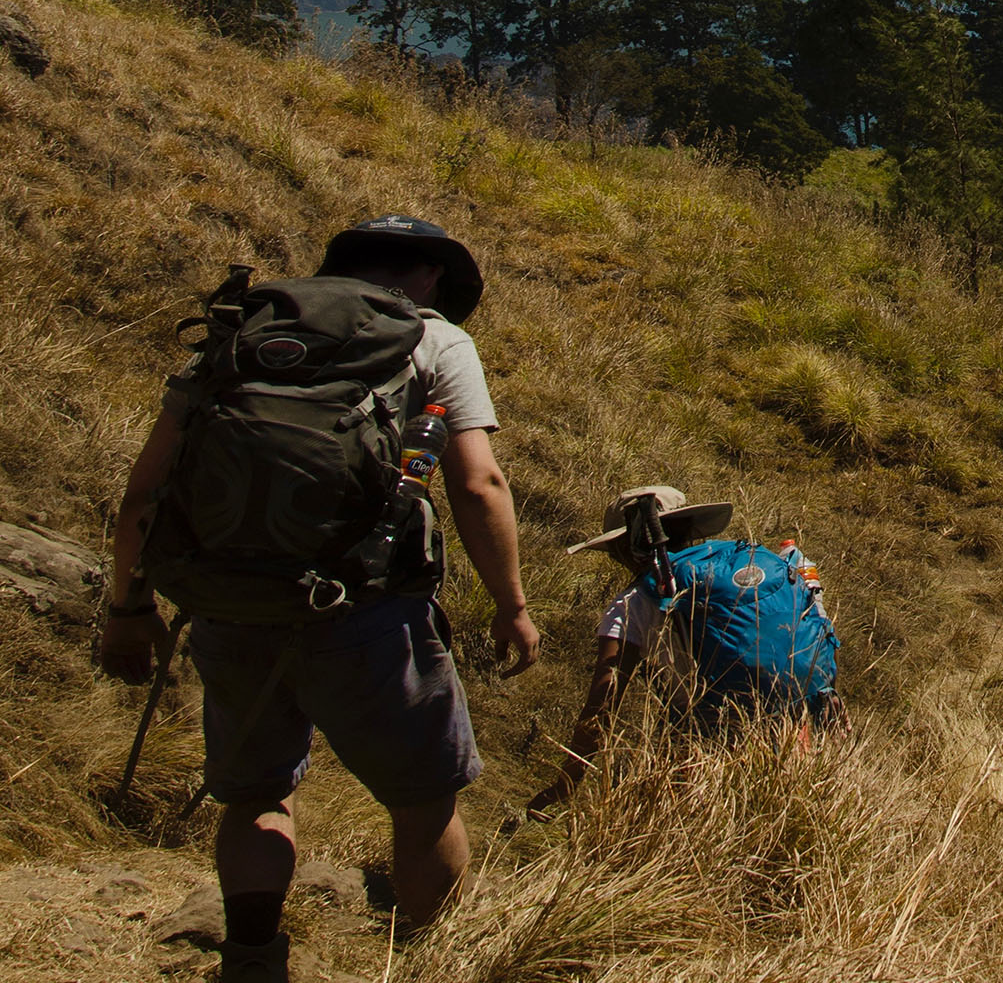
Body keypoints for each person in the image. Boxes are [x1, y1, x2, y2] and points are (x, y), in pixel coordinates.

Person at [98, 216, 541, 982]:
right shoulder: (432, 338)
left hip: (231, 604)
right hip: (367, 611)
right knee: (423, 800)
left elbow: (144, 496)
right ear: (431, 277)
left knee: (258, 795)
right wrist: (512, 605)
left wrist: (127, 609)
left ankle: (251, 957)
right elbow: (478, 482)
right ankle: (441, 963)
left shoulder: (244, 331)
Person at [526, 484, 736, 814]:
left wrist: (566, 783)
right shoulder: (741, 572)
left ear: (629, 547)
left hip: (707, 752)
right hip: (795, 734)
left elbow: (603, 701)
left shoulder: (634, 602)